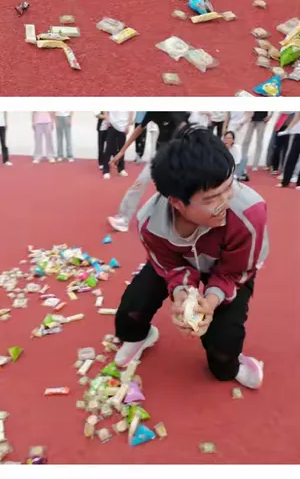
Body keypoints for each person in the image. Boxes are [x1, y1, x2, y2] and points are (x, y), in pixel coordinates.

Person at [113, 126, 268, 391]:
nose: (225, 202)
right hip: (181, 262)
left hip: (229, 269)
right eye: (212, 198)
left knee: (222, 359)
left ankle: (233, 361)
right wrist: (183, 294)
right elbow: (169, 266)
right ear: (177, 203)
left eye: (228, 187)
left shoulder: (249, 212)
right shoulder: (149, 223)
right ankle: (142, 336)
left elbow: (235, 272)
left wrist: (209, 302)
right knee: (130, 311)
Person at [106, 112, 189, 232]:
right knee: (139, 183)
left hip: (176, 156)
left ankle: (181, 222)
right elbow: (139, 129)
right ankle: (123, 219)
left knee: (174, 191)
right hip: (159, 154)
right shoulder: (152, 111)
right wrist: (122, 152)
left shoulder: (178, 112)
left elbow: (186, 131)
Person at [238, 112, 271, 180]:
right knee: (246, 140)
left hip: (262, 119)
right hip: (251, 118)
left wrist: (270, 115)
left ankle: (255, 164)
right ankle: (243, 160)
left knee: (259, 142)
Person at [276, 113, 300, 189]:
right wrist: (288, 130)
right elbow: (298, 116)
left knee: (297, 158)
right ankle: (286, 181)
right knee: (292, 157)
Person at [103, 111, 131, 178]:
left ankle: (121, 169)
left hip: (123, 126)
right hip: (112, 124)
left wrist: (128, 125)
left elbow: (131, 111)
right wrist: (107, 119)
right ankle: (106, 170)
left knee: (122, 148)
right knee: (109, 148)